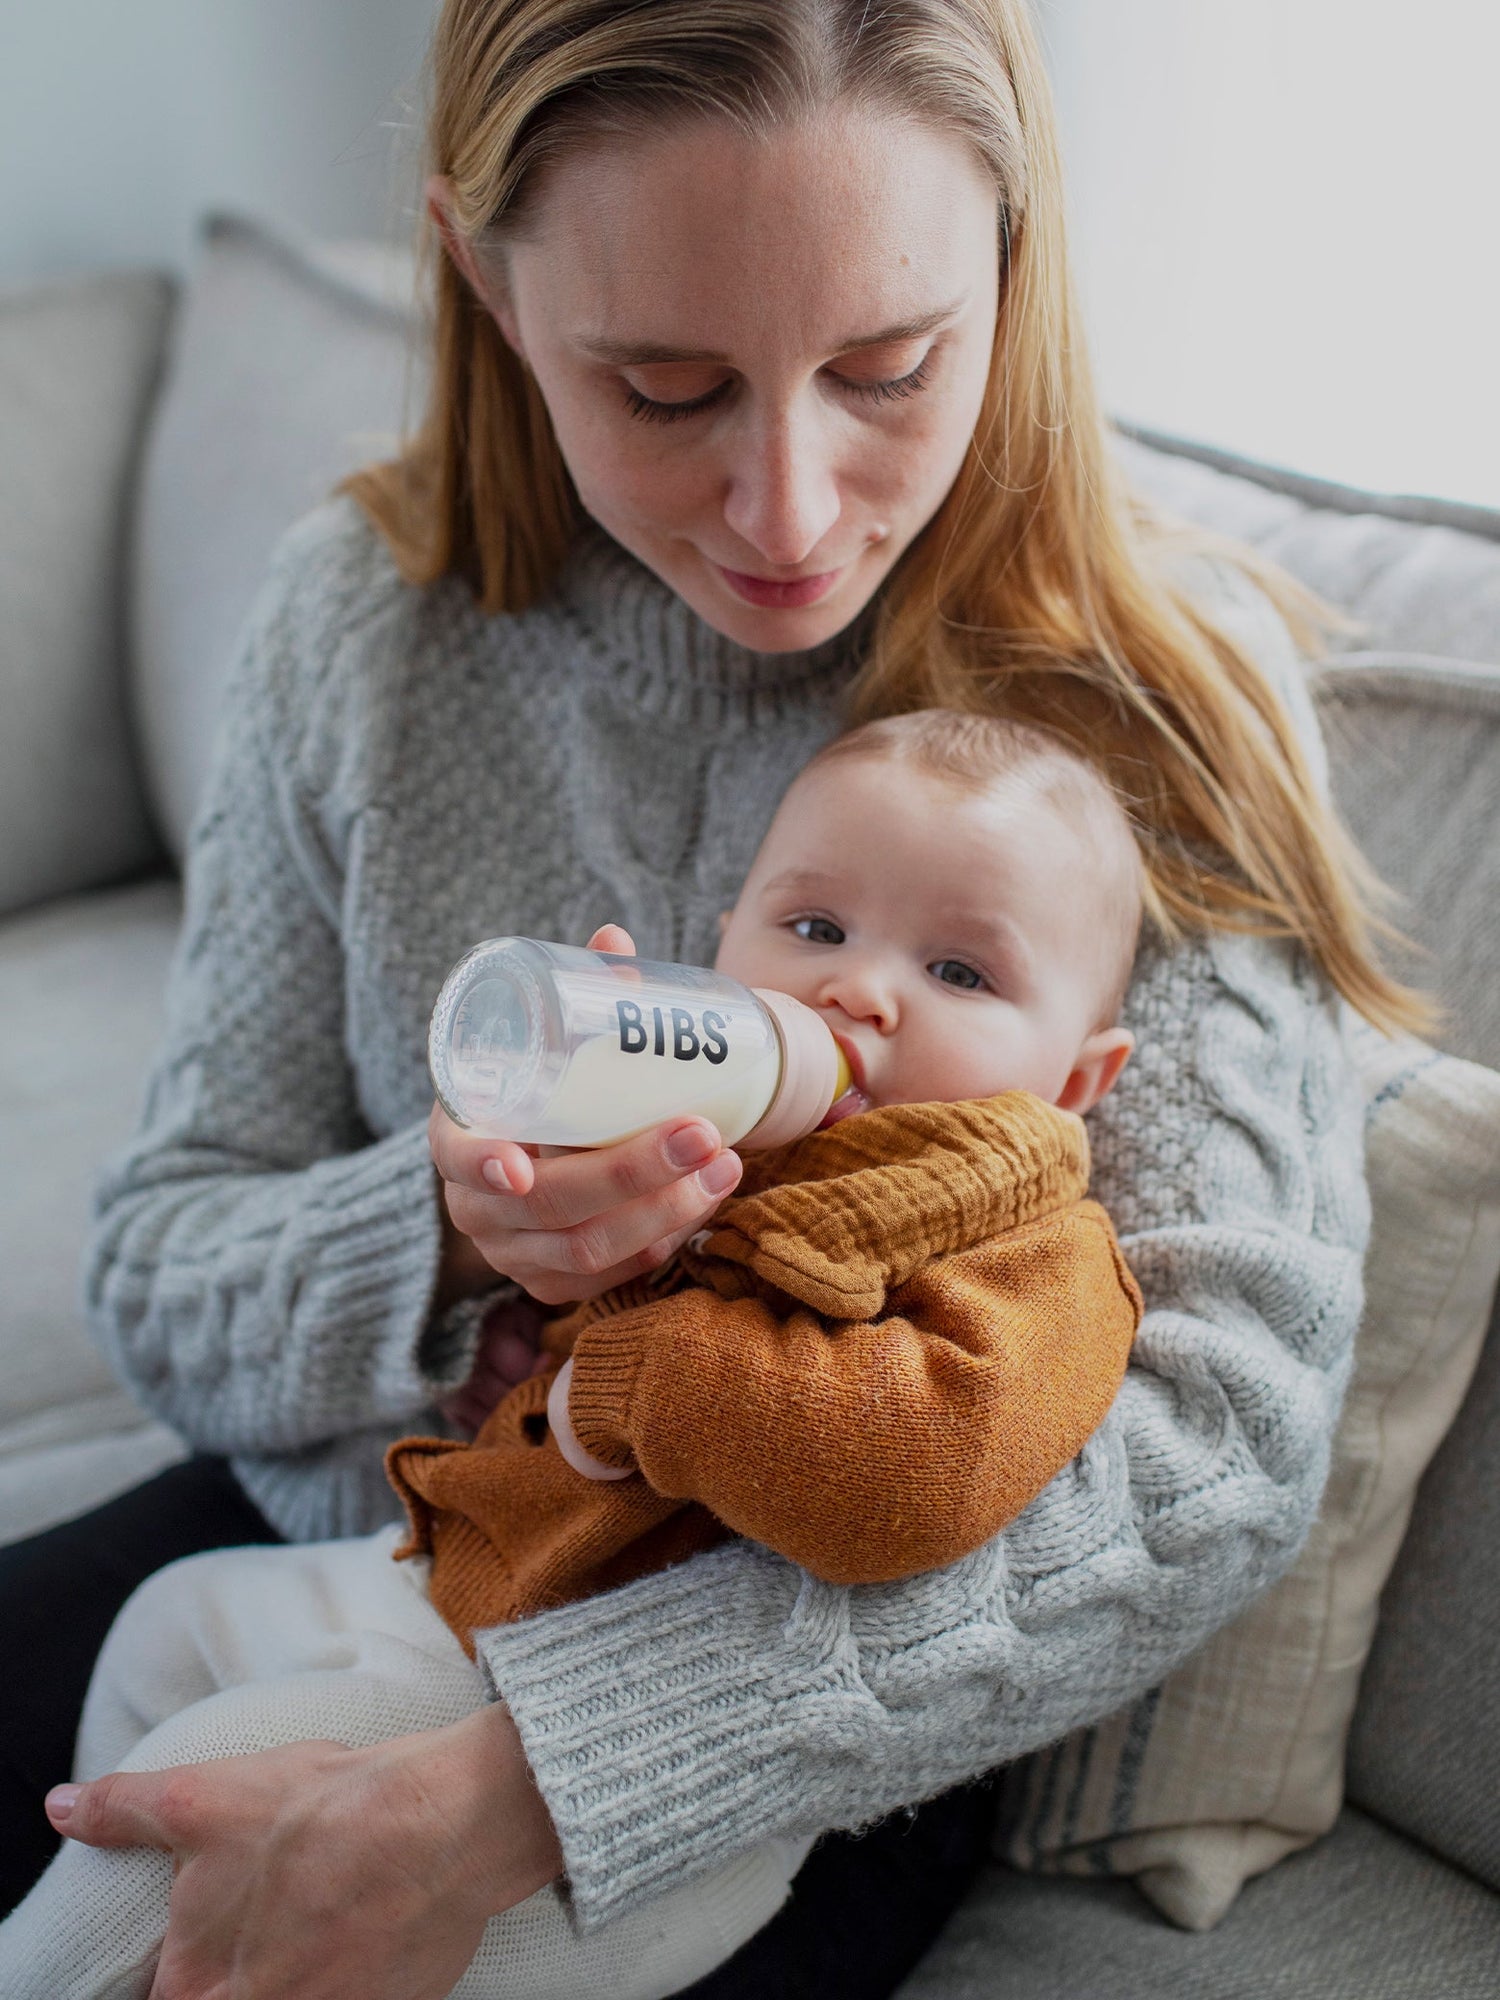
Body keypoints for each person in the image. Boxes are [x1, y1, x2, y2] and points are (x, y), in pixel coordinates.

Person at [0, 3, 1413, 1995]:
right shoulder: (363, 624)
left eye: (889, 368)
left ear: (1015, 256)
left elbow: (1213, 1452)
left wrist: (537, 1786)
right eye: (666, 386)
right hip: (377, 1535)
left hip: (797, 1714)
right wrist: (451, 1223)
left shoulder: (1140, 715)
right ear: (489, 284)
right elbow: (162, 1264)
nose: (789, 510)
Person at [0, 709, 1149, 2000]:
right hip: (459, 1587)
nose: (857, 992)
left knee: (212, 1775)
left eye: (959, 972)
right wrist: (522, 1220)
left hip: (623, 1731)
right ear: (723, 948)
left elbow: (915, 1482)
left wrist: (627, 1377)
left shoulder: (1031, 1253)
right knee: (172, 1622)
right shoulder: (702, 1132)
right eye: (816, 928)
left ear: (1076, 1081)